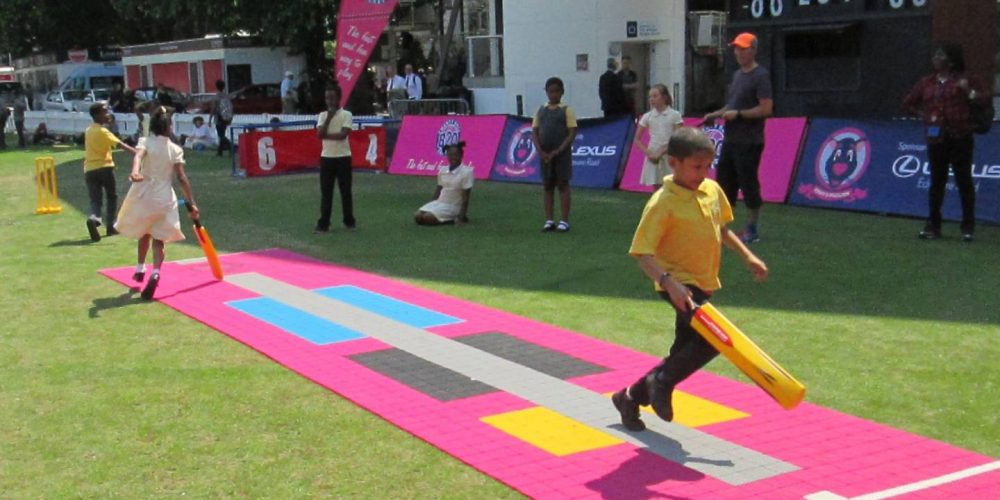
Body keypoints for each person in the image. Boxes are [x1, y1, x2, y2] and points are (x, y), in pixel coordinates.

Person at [611, 127, 768, 432]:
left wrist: (748, 256)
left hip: (704, 282)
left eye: (707, 166)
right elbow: (642, 253)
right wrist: (669, 283)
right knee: (714, 339)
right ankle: (662, 381)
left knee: (681, 354)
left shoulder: (712, 190)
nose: (703, 173)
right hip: (678, 284)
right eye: (696, 167)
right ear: (673, 163)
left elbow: (722, 229)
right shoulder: (662, 202)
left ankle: (629, 397)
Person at [903, 42, 985, 242]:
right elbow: (908, 102)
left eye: (940, 55)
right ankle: (933, 225)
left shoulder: (966, 79)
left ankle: (967, 227)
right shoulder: (927, 82)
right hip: (936, 137)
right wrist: (925, 116)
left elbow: (984, 100)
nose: (935, 59)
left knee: (963, 181)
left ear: (951, 60)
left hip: (960, 136)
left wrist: (968, 91)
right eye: (935, 55)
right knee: (937, 182)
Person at [114, 106, 199, 301]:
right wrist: (192, 203)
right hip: (164, 196)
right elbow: (181, 178)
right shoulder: (175, 149)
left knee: (144, 230)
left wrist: (135, 171)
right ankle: (156, 272)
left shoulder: (145, 142)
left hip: (144, 193)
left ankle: (140, 268)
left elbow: (138, 156)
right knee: (159, 238)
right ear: (169, 127)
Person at [703, 32, 773, 244]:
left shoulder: (760, 76)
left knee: (748, 183)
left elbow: (766, 108)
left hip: (750, 140)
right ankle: (722, 227)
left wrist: (739, 114)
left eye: (743, 48)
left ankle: (752, 228)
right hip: (731, 139)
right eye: (736, 48)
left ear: (754, 50)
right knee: (724, 184)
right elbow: (731, 105)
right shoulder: (737, 75)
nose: (738, 52)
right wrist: (715, 114)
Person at [84, 103, 138, 242]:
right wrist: (138, 154)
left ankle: (94, 218)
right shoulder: (103, 131)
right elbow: (121, 145)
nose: (108, 114)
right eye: (105, 112)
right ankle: (111, 226)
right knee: (111, 196)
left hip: (89, 169)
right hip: (104, 167)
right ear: (97, 115)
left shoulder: (89, 130)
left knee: (95, 199)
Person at [532, 77, 578, 233]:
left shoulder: (566, 110)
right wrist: (540, 151)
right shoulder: (540, 110)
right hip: (545, 154)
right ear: (546, 92)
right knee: (547, 186)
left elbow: (572, 132)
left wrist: (559, 150)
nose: (553, 94)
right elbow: (535, 131)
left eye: (557, 91)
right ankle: (549, 220)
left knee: (563, 185)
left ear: (562, 92)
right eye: (551, 91)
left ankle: (564, 221)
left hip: (561, 154)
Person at [314, 86, 356, 233]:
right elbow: (319, 134)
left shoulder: (346, 114)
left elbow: (343, 134)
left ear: (338, 98)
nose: (330, 101)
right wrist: (329, 118)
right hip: (327, 157)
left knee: (346, 191)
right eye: (327, 98)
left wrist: (326, 135)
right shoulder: (322, 115)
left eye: (332, 98)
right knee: (326, 192)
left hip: (343, 157)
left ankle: (349, 220)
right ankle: (324, 222)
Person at [635, 84, 683, 189]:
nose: (651, 99)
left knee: (672, 185)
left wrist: (662, 151)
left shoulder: (675, 115)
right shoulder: (647, 116)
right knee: (656, 186)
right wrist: (649, 153)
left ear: (664, 97)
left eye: (655, 96)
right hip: (653, 152)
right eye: (650, 97)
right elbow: (637, 139)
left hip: (670, 153)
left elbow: (678, 137)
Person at [414, 140, 473, 226]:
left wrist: (461, 217)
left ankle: (452, 219)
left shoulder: (467, 172)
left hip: (453, 206)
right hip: (440, 202)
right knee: (418, 216)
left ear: (461, 155)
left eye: (456, 155)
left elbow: (465, 198)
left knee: (427, 218)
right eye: (450, 155)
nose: (453, 157)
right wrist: (432, 205)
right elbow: (439, 189)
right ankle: (439, 215)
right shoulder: (443, 170)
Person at [210, 79, 233, 157]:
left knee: (221, 135)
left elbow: (213, 108)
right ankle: (220, 152)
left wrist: (210, 119)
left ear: (216, 86)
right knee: (222, 134)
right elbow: (231, 107)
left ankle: (231, 146)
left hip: (219, 117)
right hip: (226, 117)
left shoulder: (216, 96)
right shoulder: (227, 96)